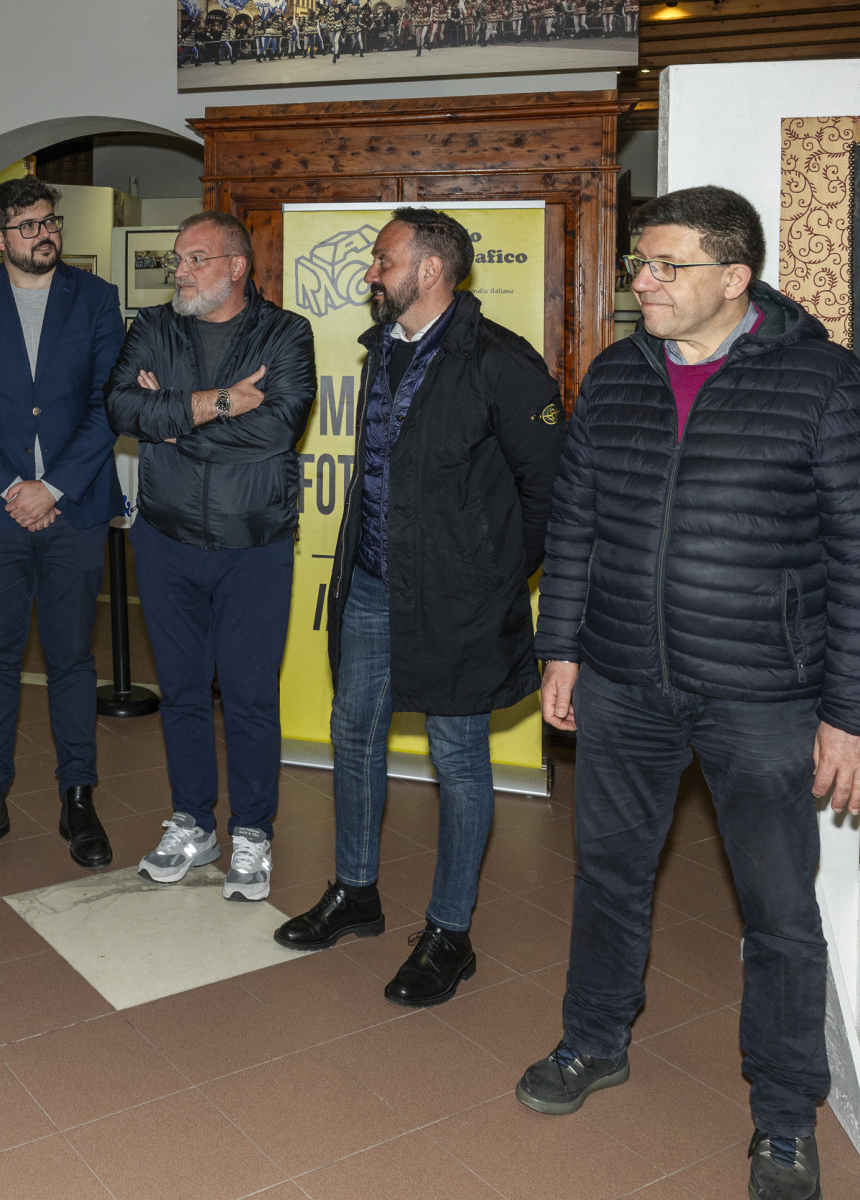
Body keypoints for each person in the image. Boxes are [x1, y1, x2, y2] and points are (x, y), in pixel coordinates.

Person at [513, 185, 860, 1200]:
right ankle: (594, 1039)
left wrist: (858, 717)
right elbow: (577, 519)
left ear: (735, 277)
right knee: (608, 877)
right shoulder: (617, 375)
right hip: (624, 682)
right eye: (639, 264)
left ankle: (784, 1116)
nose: (642, 282)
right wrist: (563, 646)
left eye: (666, 265)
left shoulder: (823, 382)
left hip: (765, 696)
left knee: (778, 912)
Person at [271, 209, 566, 1007]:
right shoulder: (382, 350)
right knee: (354, 732)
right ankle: (355, 892)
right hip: (372, 584)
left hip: (458, 599)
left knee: (458, 756)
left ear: (430, 270)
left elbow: (550, 491)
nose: (371, 272)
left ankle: (449, 933)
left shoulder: (501, 362)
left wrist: (491, 573)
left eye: (383, 259)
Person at [105, 211, 315, 902]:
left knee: (250, 696)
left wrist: (172, 420)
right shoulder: (152, 327)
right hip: (164, 540)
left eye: (197, 259)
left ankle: (252, 831)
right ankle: (194, 823)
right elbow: (120, 410)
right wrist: (222, 402)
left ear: (236, 267)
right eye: (178, 259)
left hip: (253, 546)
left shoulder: (286, 334)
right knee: (183, 693)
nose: (182, 272)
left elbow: (277, 430)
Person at [0, 176, 125, 869]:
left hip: (76, 510)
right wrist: (14, 487)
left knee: (72, 657)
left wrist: (53, 487)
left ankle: (78, 796)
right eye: (28, 226)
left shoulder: (97, 299)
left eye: (49, 221)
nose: (44, 234)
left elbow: (110, 403)